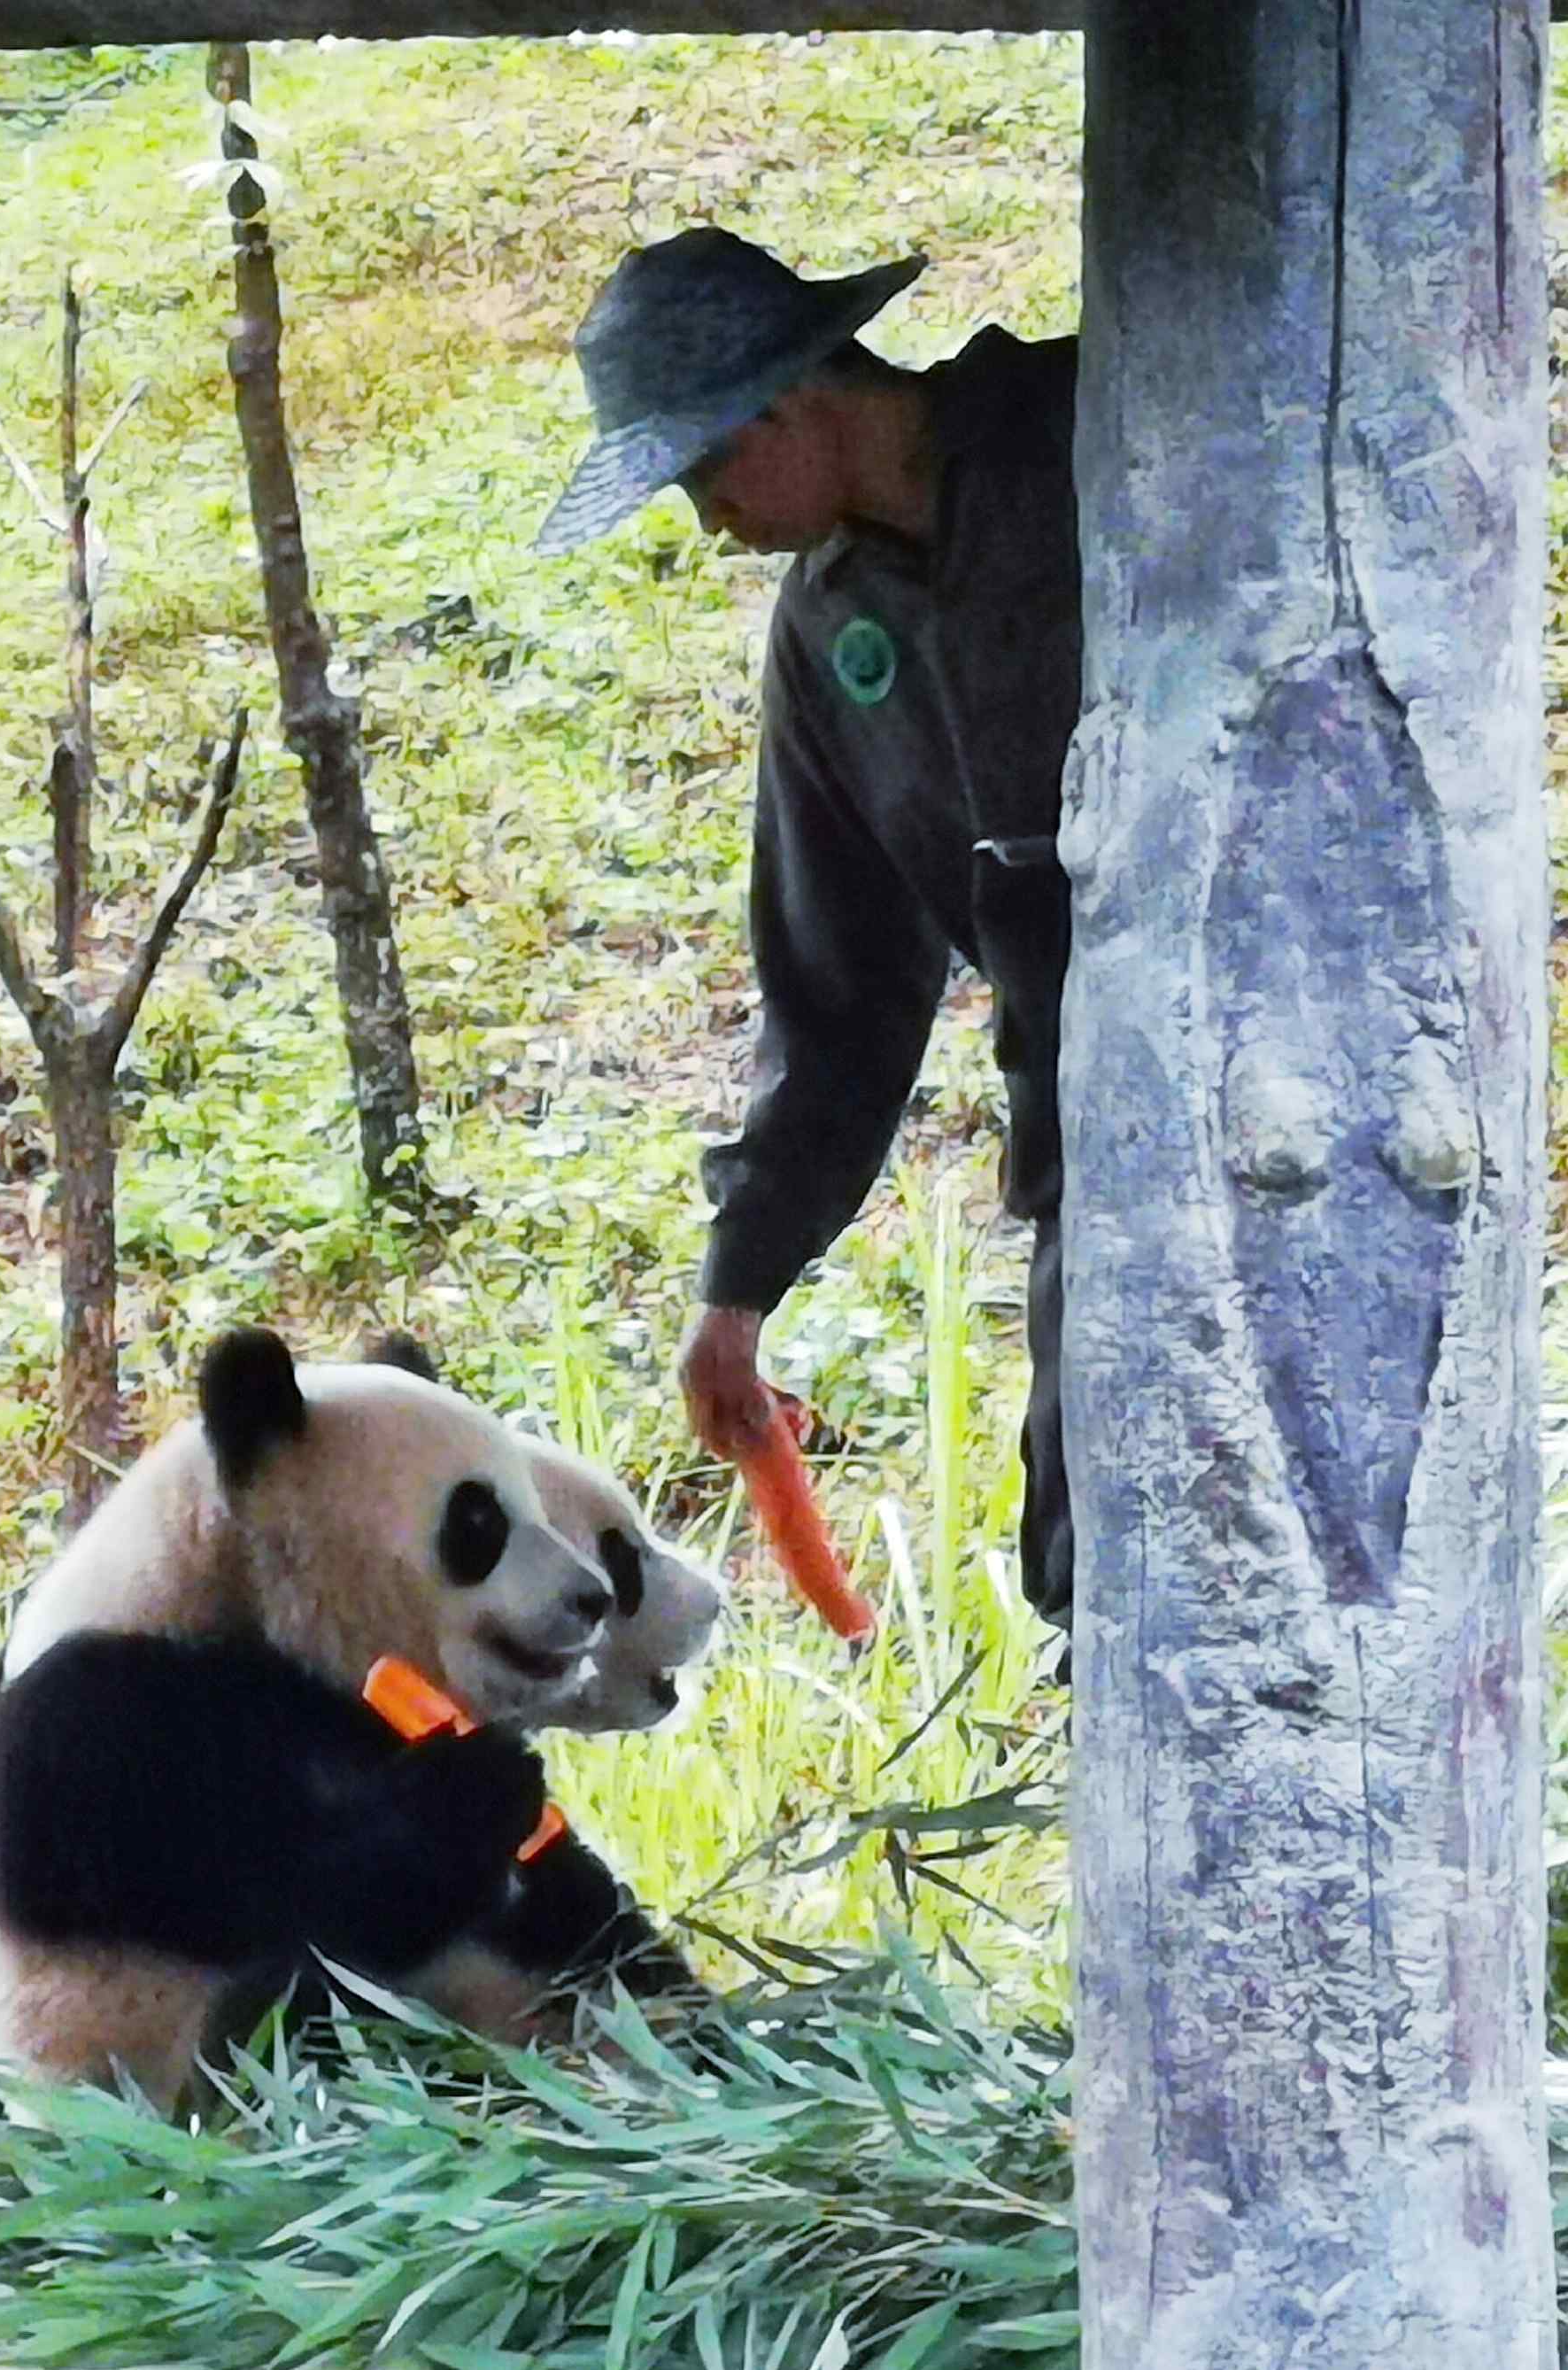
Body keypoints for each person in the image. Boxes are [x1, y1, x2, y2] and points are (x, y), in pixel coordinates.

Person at [535, 226, 1082, 1644]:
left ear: (790, 400)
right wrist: (739, 1290)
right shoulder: (827, 640)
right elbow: (836, 991)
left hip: (1293, 1096)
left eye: (704, 471)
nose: (707, 520)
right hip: (1088, 1158)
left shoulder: (1087, 436)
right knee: (1097, 1557)